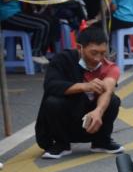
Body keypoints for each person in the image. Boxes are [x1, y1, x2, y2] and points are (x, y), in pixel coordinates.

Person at [34, 25, 123, 158]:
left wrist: (98, 112)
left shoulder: (110, 67)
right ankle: (61, 145)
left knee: (113, 100)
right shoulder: (63, 59)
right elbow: (51, 85)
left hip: (91, 123)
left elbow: (107, 91)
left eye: (102, 53)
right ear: (79, 48)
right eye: (94, 53)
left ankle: (101, 141)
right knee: (53, 102)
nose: (98, 58)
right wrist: (84, 86)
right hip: (63, 121)